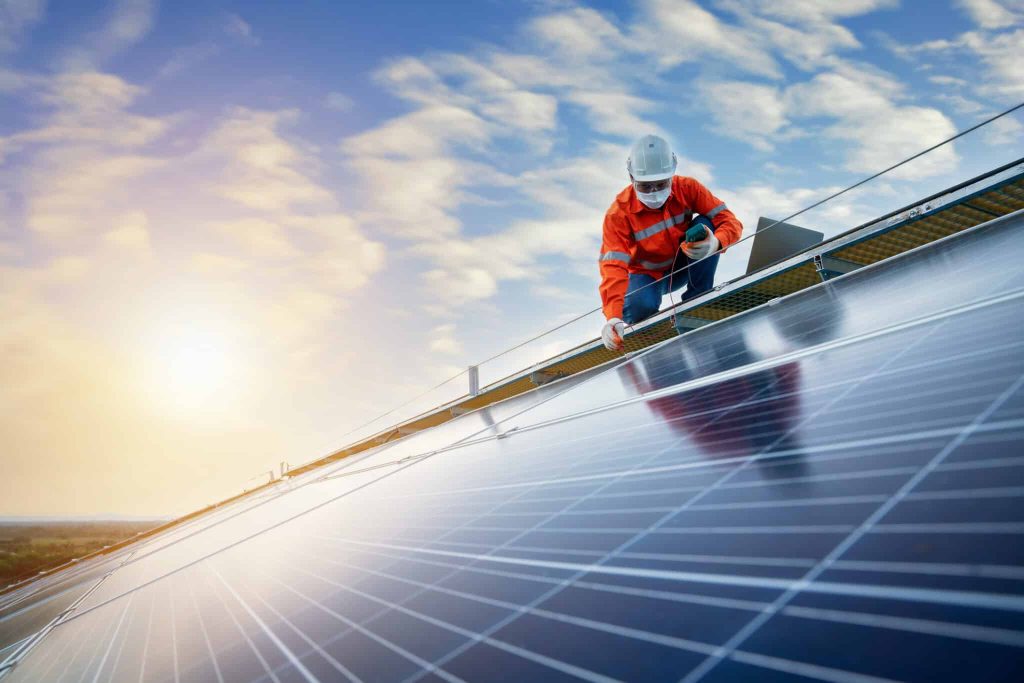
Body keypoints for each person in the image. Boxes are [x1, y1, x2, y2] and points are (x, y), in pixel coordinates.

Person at [599, 134, 743, 351]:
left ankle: (696, 302)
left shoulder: (688, 188)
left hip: (685, 263)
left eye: (661, 184)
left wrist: (716, 244)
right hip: (647, 277)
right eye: (646, 186)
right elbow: (613, 266)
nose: (655, 192)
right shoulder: (618, 214)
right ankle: (653, 341)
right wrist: (613, 317)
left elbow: (730, 221)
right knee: (639, 307)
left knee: (706, 223)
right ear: (631, 178)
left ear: (672, 174)